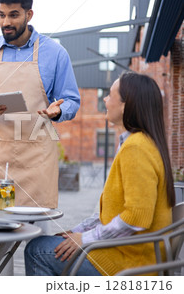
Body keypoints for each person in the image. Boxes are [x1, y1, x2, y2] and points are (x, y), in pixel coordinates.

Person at [24, 72, 176, 276]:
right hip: (127, 254)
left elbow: (136, 218)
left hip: (130, 264)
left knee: (37, 250)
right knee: (46, 243)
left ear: (125, 104)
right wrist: (78, 232)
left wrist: (85, 239)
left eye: (110, 95)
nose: (104, 99)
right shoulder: (138, 143)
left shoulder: (137, 148)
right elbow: (112, 213)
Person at [0, 0, 80, 208]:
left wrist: (59, 111)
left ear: (29, 14)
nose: (6, 22)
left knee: (37, 228)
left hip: (38, 157)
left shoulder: (54, 53)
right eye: (2, 15)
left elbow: (72, 100)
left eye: (14, 15)